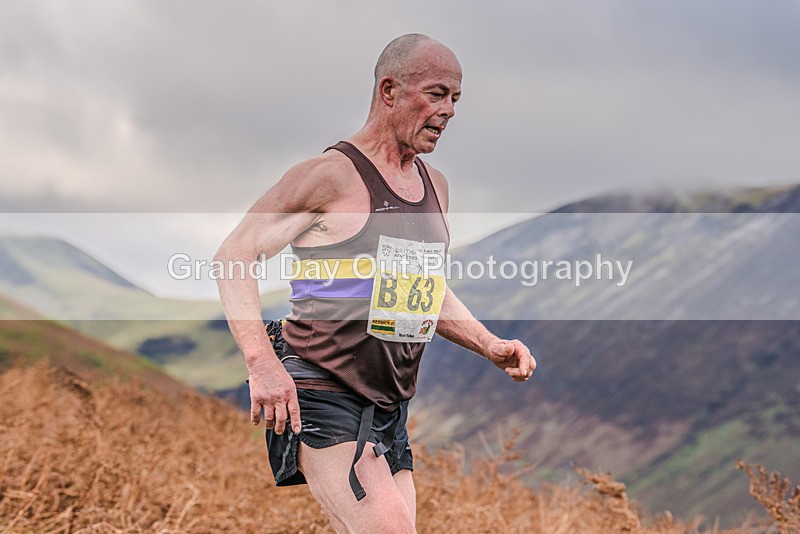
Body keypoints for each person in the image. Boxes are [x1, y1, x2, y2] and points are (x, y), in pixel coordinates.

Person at [215, 33, 536, 533]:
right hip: (323, 390)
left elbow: (424, 287)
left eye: (456, 98)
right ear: (389, 91)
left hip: (390, 407)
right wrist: (261, 363)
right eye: (436, 93)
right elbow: (235, 254)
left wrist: (488, 344)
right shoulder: (329, 176)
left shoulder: (436, 187)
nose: (449, 110)